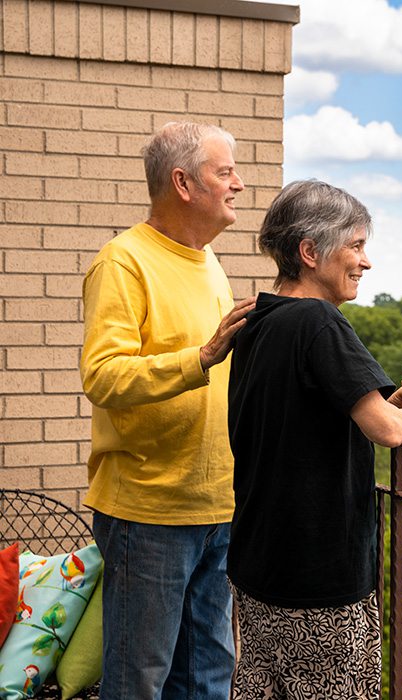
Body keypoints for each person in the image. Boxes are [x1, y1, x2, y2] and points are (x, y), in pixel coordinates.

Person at [226, 179, 402, 699]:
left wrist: (378, 403)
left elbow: (297, 413)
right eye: (356, 245)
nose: (366, 262)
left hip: (258, 564)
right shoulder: (319, 320)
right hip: (316, 577)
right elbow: (390, 432)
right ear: (310, 252)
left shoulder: (261, 319)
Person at [80, 121, 255, 699]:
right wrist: (200, 356)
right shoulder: (123, 262)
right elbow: (103, 376)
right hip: (148, 514)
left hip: (217, 508)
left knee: (207, 680)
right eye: (225, 171)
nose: (239, 184)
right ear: (183, 183)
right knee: (139, 682)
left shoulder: (210, 264)